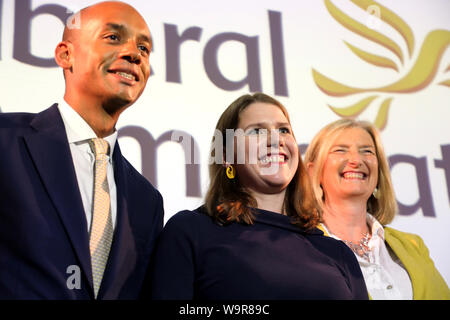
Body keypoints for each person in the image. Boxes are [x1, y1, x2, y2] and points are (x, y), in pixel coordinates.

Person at [0, 1, 164, 299]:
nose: (134, 54)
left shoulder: (147, 201)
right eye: (114, 37)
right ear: (66, 55)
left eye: (144, 48)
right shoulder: (6, 140)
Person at [150, 93, 368, 300]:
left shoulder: (337, 252)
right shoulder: (191, 231)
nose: (276, 140)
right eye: (257, 131)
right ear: (226, 156)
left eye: (284, 130)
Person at [304, 119, 450, 300]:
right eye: (340, 150)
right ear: (313, 171)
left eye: (367, 151)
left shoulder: (414, 246)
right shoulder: (300, 247)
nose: (356, 160)